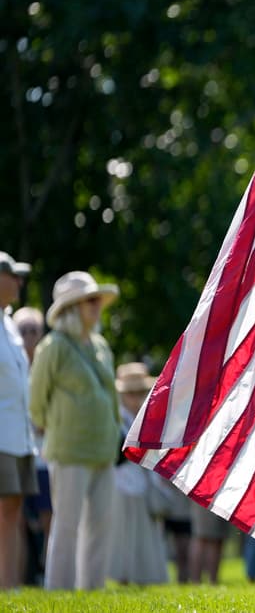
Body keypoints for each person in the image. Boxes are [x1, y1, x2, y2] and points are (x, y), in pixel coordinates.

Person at [29, 270, 120, 590]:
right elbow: (36, 397)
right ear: (72, 307)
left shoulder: (100, 345)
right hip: (68, 450)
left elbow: (110, 396)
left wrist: (114, 433)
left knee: (101, 525)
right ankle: (59, 590)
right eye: (89, 301)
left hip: (103, 449)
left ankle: (91, 590)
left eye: (97, 300)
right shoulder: (53, 346)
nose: (97, 306)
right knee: (66, 525)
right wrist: (49, 426)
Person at [107, 362, 169, 585]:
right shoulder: (115, 419)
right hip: (122, 486)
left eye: (140, 393)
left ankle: (145, 580)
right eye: (131, 394)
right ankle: (123, 579)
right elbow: (115, 456)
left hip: (146, 486)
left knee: (146, 540)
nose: (135, 398)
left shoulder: (146, 419)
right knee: (123, 540)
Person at [0, 252, 37, 589]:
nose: (19, 283)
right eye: (14, 276)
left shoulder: (9, 324)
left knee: (13, 512)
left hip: (18, 436)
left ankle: (8, 586)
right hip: (0, 435)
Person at [13, 306, 49, 586]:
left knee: (50, 519)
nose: (28, 336)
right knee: (18, 521)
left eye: (33, 330)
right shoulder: (11, 365)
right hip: (18, 453)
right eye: (22, 330)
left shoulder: (47, 365)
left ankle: (48, 574)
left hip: (46, 458)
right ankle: (22, 578)